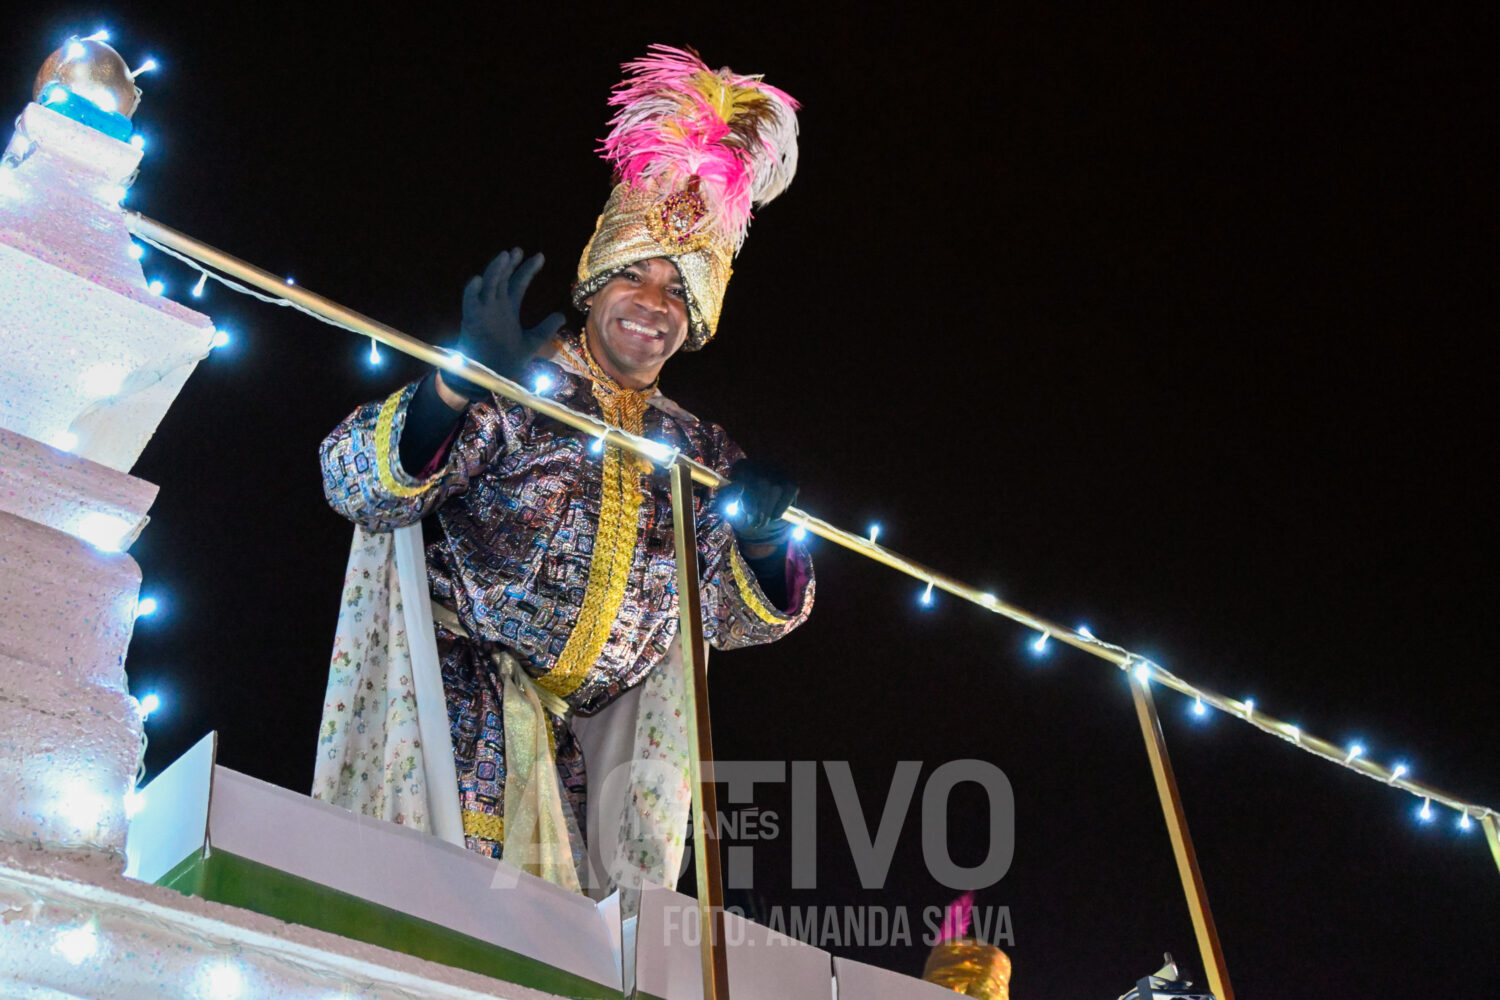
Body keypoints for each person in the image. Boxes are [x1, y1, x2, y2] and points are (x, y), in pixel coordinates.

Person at [315, 46, 812, 897]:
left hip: (595, 767)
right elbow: (350, 480)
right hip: (462, 721)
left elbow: (736, 622)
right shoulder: (522, 384)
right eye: (638, 278)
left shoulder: (698, 449)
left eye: (679, 291)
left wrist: (765, 544)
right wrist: (456, 386)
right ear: (597, 282)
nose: (655, 305)